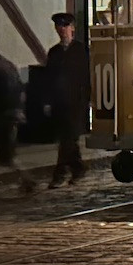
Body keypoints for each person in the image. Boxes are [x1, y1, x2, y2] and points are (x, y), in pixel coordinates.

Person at [0, 34, 37, 201]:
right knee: (7, 156)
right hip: (13, 115)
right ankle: (27, 179)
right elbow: (20, 88)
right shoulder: (7, 64)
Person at [46, 12, 90, 188]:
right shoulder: (54, 52)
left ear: (72, 28)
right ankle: (78, 169)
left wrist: (88, 98)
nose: (62, 30)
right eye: (59, 27)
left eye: (65, 26)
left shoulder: (80, 50)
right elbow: (49, 77)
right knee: (68, 138)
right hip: (59, 102)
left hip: (76, 101)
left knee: (68, 138)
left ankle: (60, 173)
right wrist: (48, 100)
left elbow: (87, 76)